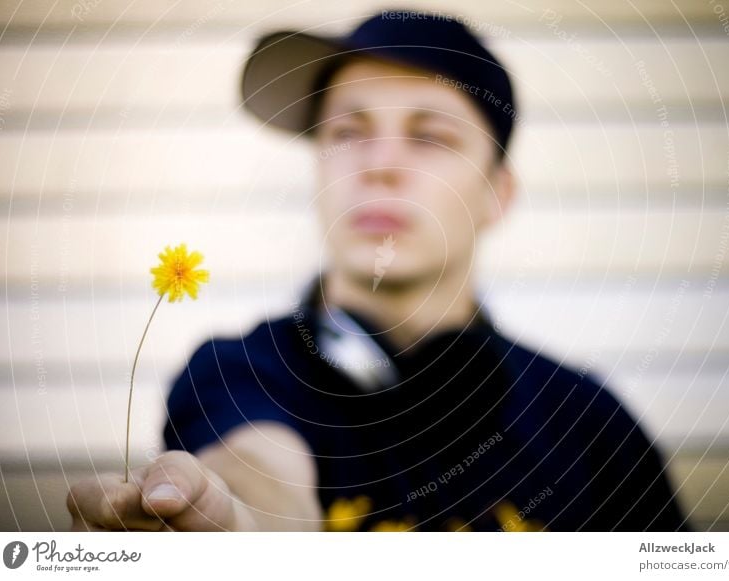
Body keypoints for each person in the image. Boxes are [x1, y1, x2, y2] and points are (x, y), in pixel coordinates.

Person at [67, 9, 689, 532]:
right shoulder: (234, 375)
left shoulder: (589, 424)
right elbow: (257, 475)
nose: (379, 165)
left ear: (497, 194)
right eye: (348, 131)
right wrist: (232, 519)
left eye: (430, 137)